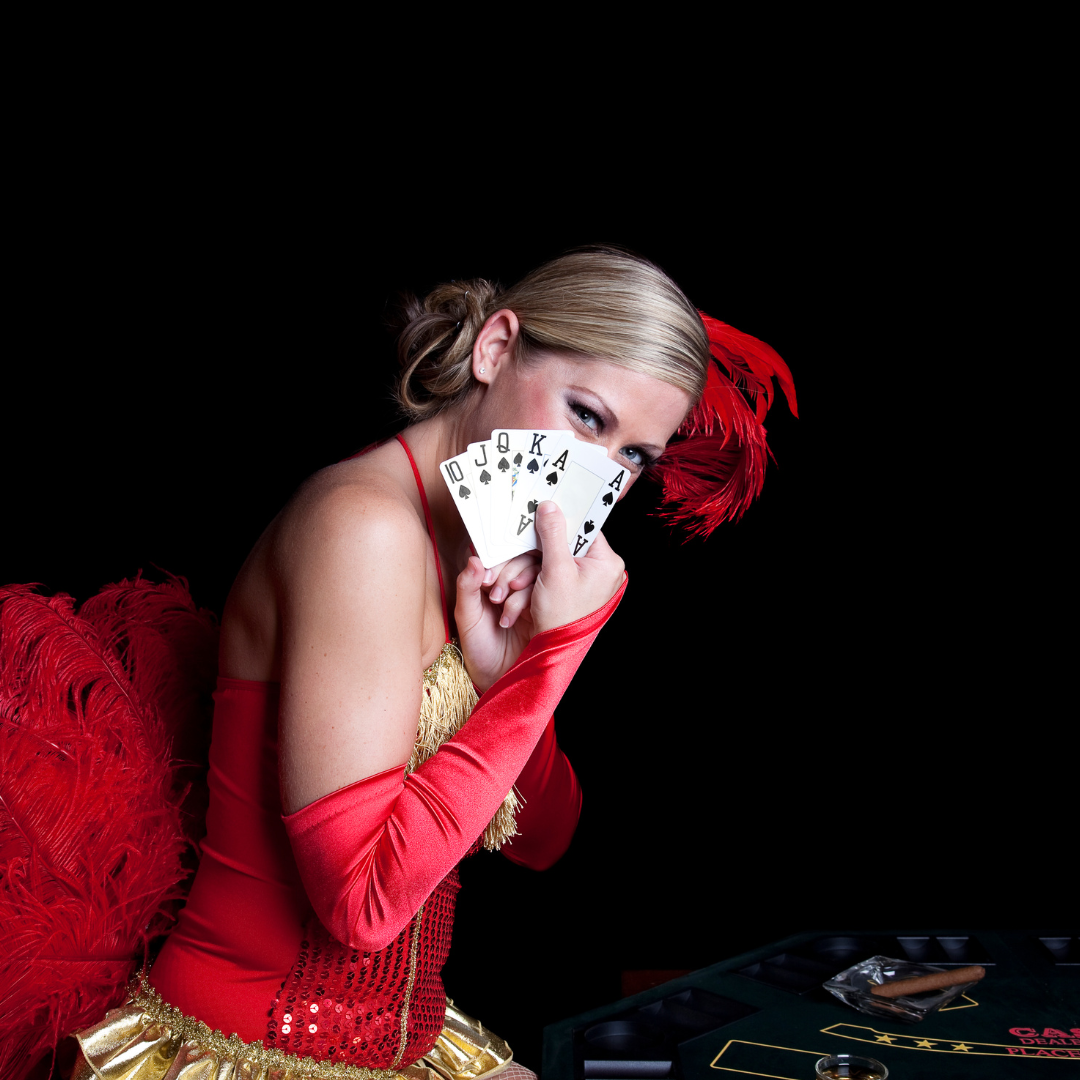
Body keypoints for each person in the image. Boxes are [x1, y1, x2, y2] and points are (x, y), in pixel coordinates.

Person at [66, 247, 797, 1079]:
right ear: (495, 348)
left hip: (409, 1040)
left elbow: (544, 840)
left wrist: (506, 680)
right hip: (240, 1048)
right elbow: (360, 905)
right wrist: (556, 655)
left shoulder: (487, 547)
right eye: (587, 416)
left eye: (635, 456)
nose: (600, 473)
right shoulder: (363, 528)